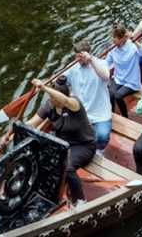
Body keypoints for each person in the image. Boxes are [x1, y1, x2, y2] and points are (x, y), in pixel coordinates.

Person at [28, 76, 96, 205]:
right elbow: (32, 123)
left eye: (53, 96)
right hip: (62, 145)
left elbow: (64, 100)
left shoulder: (74, 104)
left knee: (67, 167)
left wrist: (43, 87)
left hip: (83, 146)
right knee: (40, 162)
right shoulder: (49, 105)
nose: (50, 99)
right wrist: (11, 134)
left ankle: (80, 201)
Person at [65, 38, 112, 154]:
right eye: (76, 57)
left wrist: (91, 60)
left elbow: (106, 76)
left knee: (102, 136)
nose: (78, 60)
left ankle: (100, 150)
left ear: (88, 53)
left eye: (80, 57)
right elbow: (60, 80)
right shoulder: (73, 67)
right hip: (81, 113)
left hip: (100, 113)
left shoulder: (101, 63)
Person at [106, 24, 142, 118]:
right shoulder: (113, 48)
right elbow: (106, 63)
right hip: (118, 79)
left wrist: (135, 41)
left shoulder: (132, 47)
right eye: (112, 37)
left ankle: (125, 116)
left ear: (122, 38)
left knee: (118, 96)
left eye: (115, 38)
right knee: (110, 93)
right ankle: (112, 114)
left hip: (131, 82)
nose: (113, 40)